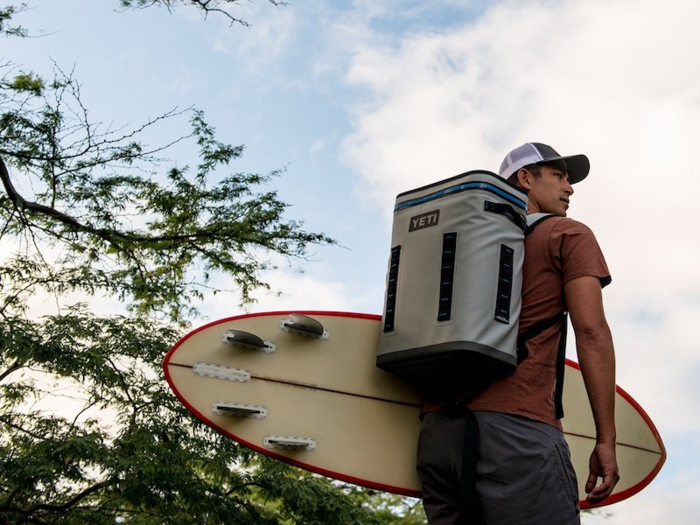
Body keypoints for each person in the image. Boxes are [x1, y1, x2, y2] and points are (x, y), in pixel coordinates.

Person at [416, 142, 620, 524]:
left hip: (438, 435)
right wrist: (606, 439)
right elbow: (592, 333)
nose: (569, 187)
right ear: (525, 179)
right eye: (558, 176)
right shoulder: (567, 234)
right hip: (518, 433)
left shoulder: (455, 242)